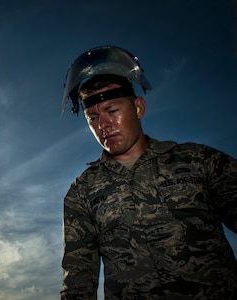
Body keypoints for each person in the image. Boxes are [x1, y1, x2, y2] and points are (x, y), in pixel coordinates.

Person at [60, 45, 237, 299]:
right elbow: (78, 281)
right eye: (92, 118)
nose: (104, 125)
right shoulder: (82, 192)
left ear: (139, 108)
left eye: (112, 111)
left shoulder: (198, 160)